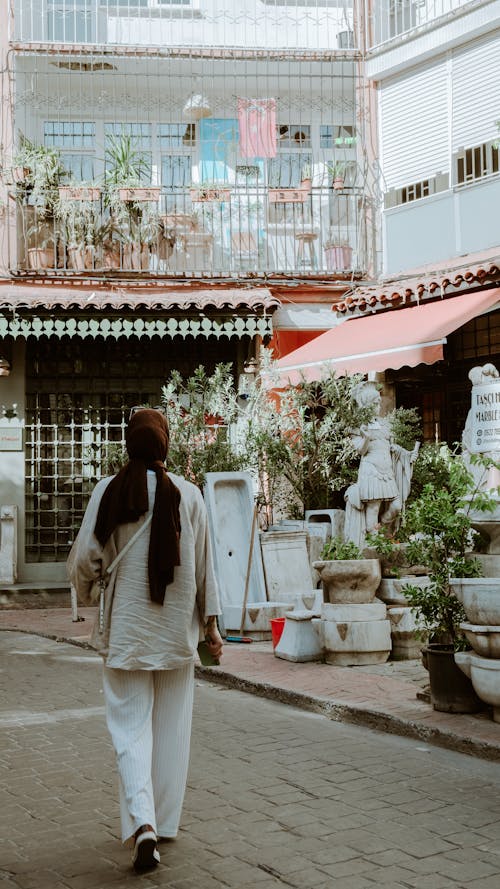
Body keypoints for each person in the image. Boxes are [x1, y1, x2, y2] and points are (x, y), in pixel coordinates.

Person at [68, 408, 222, 873]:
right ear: (165, 443)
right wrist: (211, 627)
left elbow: (86, 560)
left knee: (129, 729)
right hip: (177, 632)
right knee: (172, 731)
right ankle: (165, 822)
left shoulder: (108, 492)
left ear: (129, 443)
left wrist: (88, 593)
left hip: (128, 632)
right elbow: (204, 570)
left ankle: (145, 824)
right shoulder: (189, 495)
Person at [344, 382, 419, 549]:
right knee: (373, 508)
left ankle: (383, 534)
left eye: (379, 402)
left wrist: (405, 454)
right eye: (374, 403)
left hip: (387, 472)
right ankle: (374, 544)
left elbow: (392, 448)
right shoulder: (358, 427)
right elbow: (361, 451)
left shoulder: (384, 424)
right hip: (371, 471)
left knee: (396, 506)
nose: (378, 406)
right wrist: (366, 437)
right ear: (366, 405)